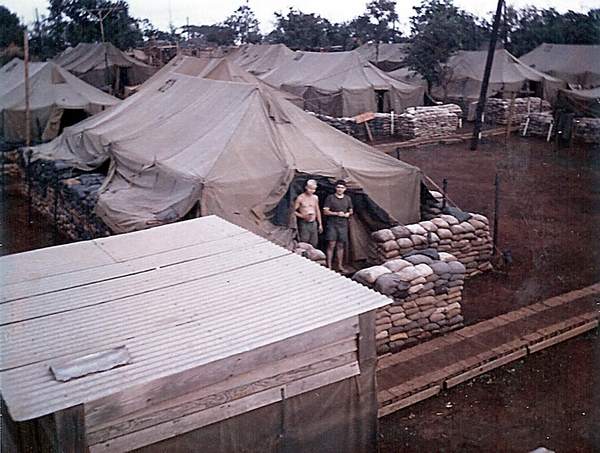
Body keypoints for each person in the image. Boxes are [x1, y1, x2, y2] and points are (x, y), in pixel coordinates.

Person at [323, 179, 353, 273]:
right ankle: (329, 266)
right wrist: (336, 213)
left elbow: (351, 210)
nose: (340, 189)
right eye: (338, 187)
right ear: (335, 188)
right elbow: (325, 211)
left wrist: (348, 214)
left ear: (345, 189)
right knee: (331, 244)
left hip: (343, 225)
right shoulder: (330, 198)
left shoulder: (347, 198)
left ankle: (340, 266)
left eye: (342, 187)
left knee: (341, 245)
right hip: (333, 224)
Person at [293, 179, 323, 247]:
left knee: (314, 242)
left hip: (313, 222)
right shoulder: (300, 198)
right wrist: (302, 216)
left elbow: (317, 210)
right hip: (304, 222)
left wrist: (320, 224)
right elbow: (292, 211)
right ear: (306, 187)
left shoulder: (315, 197)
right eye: (310, 188)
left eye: (314, 189)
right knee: (304, 242)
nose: (312, 191)